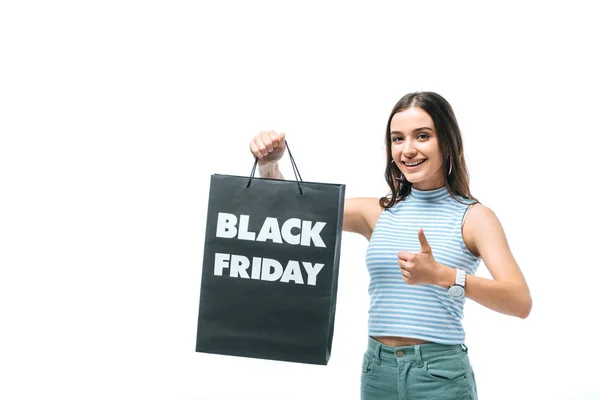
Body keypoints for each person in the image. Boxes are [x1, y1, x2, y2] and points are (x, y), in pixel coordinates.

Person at [248, 91, 532, 400]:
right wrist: (269, 166)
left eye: (422, 136)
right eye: (398, 139)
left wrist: (442, 275)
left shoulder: (475, 218)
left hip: (439, 376)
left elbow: (520, 301)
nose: (408, 150)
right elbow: (289, 210)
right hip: (377, 371)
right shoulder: (377, 212)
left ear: (447, 142)